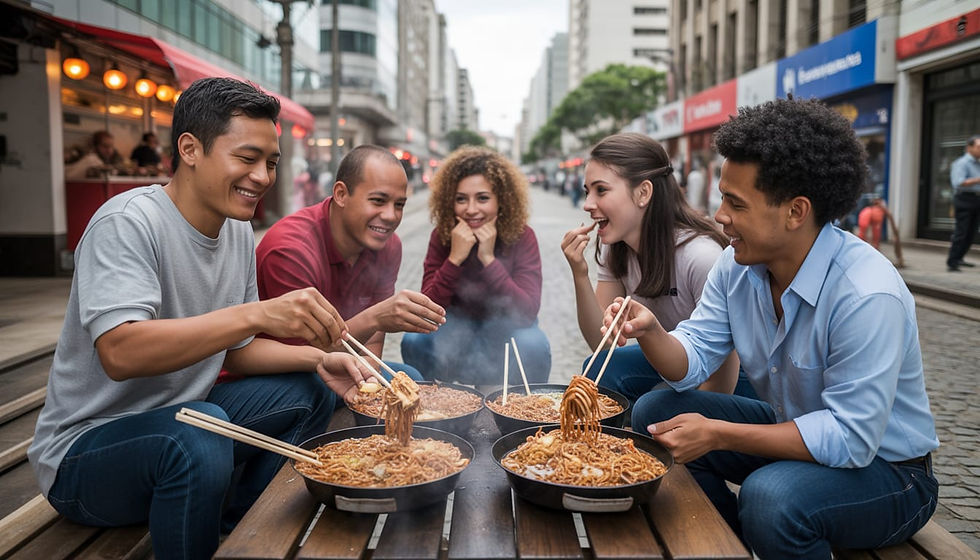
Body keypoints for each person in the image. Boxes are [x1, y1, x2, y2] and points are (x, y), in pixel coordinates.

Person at [28, 77, 376, 560]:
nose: (262, 176)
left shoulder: (236, 230)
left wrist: (319, 358)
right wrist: (254, 312)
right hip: (84, 457)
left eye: (271, 163)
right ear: (190, 149)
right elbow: (120, 352)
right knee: (201, 429)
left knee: (309, 390)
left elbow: (238, 348)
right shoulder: (128, 222)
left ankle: (242, 536)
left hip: (183, 424)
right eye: (247, 158)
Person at [604, 98, 939, 558]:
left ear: (796, 212)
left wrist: (720, 432)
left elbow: (850, 439)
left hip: (891, 471)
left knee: (770, 497)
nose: (720, 216)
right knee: (655, 415)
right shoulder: (737, 266)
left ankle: (763, 532)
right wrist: (651, 331)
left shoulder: (866, 293)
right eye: (722, 197)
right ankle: (728, 546)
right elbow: (693, 357)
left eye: (735, 203)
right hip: (795, 429)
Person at [227, 144, 445, 381]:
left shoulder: (388, 245)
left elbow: (372, 339)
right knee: (313, 390)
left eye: (399, 205)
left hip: (335, 360)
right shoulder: (292, 249)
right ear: (341, 194)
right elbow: (306, 356)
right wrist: (375, 317)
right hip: (272, 375)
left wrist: (371, 379)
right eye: (378, 201)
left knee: (410, 378)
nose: (391, 216)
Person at [561, 133, 739, 403]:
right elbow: (603, 344)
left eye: (601, 190)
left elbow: (725, 367)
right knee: (596, 368)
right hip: (671, 363)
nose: (587, 204)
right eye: (587, 192)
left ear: (643, 192)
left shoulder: (701, 256)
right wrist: (579, 273)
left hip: (729, 376)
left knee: (650, 407)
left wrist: (698, 422)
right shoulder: (616, 247)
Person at [401, 146, 551, 387]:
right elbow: (427, 311)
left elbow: (527, 312)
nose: (471, 209)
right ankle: (434, 407)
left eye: (482, 198)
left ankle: (525, 412)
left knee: (533, 343)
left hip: (506, 330)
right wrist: (455, 259)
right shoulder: (442, 236)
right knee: (413, 340)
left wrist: (489, 260)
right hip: (455, 331)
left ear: (501, 200)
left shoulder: (523, 236)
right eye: (461, 199)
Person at [946, 135, 980, 272]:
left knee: (971, 232)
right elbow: (958, 182)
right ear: (969, 148)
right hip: (964, 199)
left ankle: (960, 258)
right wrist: (978, 180)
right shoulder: (961, 163)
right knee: (962, 232)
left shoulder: (978, 163)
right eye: (978, 147)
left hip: (976, 199)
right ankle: (952, 261)